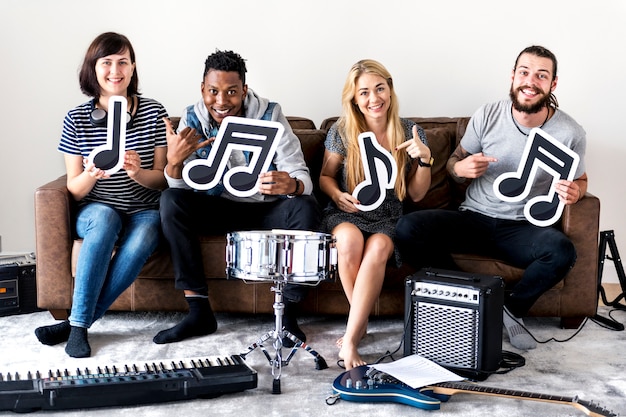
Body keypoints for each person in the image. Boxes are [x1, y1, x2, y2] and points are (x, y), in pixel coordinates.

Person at [396, 45, 587, 350]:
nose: (530, 81)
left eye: (541, 75)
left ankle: (510, 308)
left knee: (563, 251)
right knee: (406, 229)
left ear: (553, 84)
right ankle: (471, 298)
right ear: (512, 77)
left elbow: (580, 179)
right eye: (524, 72)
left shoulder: (570, 132)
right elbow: (452, 165)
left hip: (523, 227)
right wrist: (461, 166)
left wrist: (576, 191)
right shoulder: (488, 114)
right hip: (474, 218)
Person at [154, 49, 319, 346]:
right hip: (218, 208)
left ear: (244, 90)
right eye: (213, 91)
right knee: (169, 201)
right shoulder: (192, 119)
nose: (221, 101)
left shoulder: (271, 115)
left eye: (231, 92)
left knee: (305, 205)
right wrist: (174, 163)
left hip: (266, 210)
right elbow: (180, 191)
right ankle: (199, 311)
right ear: (202, 89)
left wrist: (291, 185)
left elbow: (302, 176)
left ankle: (288, 313)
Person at [34, 32, 168, 357]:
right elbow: (73, 189)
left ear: (133, 68)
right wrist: (92, 174)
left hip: (143, 210)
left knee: (147, 233)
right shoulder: (76, 118)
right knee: (105, 218)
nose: (114, 70)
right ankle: (79, 326)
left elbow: (163, 180)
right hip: (95, 209)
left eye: (123, 61)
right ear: (93, 69)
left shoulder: (154, 112)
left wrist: (138, 172)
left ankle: (77, 324)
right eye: (106, 62)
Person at [319, 60, 432, 370]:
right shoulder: (342, 131)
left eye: (380, 89)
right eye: (364, 92)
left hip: (388, 216)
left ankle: (352, 333)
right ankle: (358, 330)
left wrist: (425, 160)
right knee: (349, 242)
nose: (374, 98)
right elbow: (325, 176)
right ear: (354, 99)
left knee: (380, 247)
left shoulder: (411, 131)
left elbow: (418, 194)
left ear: (390, 90)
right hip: (348, 212)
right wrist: (336, 194)